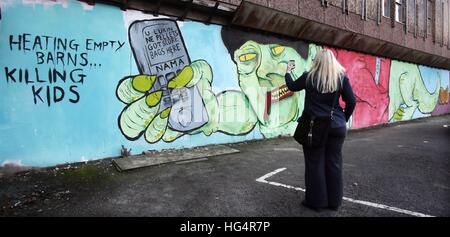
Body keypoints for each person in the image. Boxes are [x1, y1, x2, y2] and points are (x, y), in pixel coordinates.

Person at [285, 48, 356, 211]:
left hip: (314, 126)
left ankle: (317, 202)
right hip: (336, 126)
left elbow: (292, 86)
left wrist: (288, 72)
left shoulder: (308, 77)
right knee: (334, 163)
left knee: (314, 164)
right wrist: (343, 118)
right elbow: (351, 101)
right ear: (333, 62)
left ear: (316, 61)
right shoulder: (341, 79)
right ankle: (334, 203)